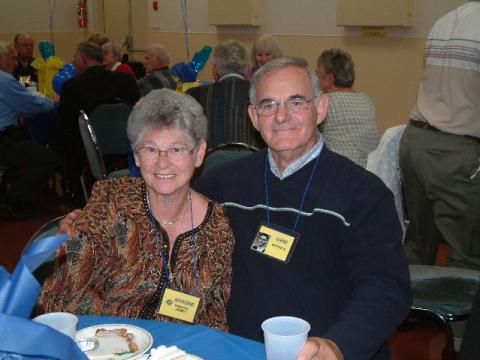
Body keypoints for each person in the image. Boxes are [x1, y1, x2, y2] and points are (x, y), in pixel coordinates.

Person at [59, 57, 412, 359]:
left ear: (321, 109)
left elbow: (385, 287)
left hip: (313, 350)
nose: (282, 116)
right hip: (231, 346)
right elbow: (165, 193)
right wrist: (91, 221)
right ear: (253, 117)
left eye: (297, 102)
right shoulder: (226, 182)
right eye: (269, 105)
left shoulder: (362, 193)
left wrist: (338, 345)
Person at [37, 89, 234, 331]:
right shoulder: (111, 202)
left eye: (176, 149)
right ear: (136, 156)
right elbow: (60, 294)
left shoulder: (218, 226)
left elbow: (215, 317)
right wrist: (122, 338)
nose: (163, 162)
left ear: (199, 153)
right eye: (150, 149)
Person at [399, 1, 480, 269]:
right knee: (468, 253)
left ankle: (409, 310)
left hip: (415, 140)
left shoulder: (445, 20)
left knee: (419, 245)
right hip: (454, 151)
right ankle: (461, 312)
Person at [54, 41, 140, 201]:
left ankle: (75, 189)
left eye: (75, 59)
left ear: (82, 59)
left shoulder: (72, 86)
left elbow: (66, 128)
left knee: (65, 141)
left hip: (89, 148)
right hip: (126, 143)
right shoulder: (125, 80)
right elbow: (138, 112)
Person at [0, 41, 58, 220]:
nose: (15, 63)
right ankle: (13, 197)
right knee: (51, 159)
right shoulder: (5, 80)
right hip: (3, 141)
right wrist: (54, 101)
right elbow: (32, 105)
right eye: (12, 58)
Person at [186, 40, 263, 148]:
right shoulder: (261, 94)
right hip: (253, 161)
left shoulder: (195, 95)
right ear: (247, 68)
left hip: (210, 162)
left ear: (216, 69)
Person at [315, 49, 380, 167]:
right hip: (370, 170)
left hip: (339, 170)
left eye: (318, 74)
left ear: (329, 78)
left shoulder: (325, 102)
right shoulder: (366, 100)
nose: (315, 80)